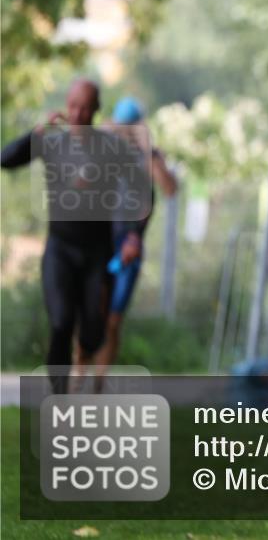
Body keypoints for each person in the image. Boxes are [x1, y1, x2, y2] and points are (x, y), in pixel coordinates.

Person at [0, 80, 151, 394]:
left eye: (85, 107)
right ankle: (59, 402)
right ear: (66, 106)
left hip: (98, 254)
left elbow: (142, 191)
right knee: (60, 323)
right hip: (60, 251)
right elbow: (6, 159)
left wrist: (134, 236)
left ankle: (85, 355)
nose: (78, 113)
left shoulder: (111, 148)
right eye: (73, 106)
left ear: (97, 109)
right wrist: (36, 133)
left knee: (93, 334)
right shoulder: (52, 142)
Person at [84, 96, 177, 390]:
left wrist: (148, 151)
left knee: (113, 319)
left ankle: (98, 382)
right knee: (92, 313)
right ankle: (77, 373)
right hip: (100, 240)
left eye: (131, 127)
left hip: (130, 243)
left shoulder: (148, 153)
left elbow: (170, 188)